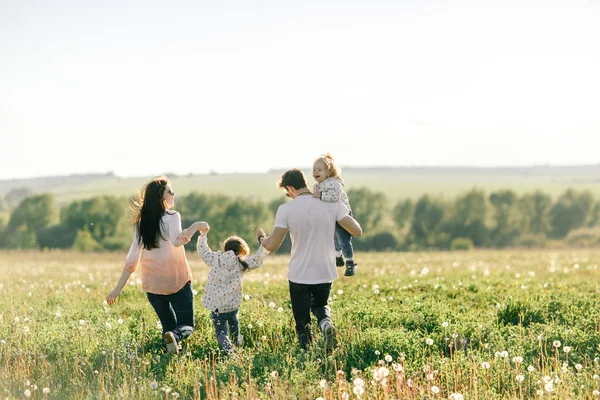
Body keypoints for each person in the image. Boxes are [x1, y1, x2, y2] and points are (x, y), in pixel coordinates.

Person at [256, 168, 362, 351]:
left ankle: (308, 355)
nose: (288, 195)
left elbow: (272, 246)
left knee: (302, 320)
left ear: (290, 188)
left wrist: (261, 238)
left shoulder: (286, 210)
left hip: (299, 274)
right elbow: (357, 231)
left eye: (287, 191)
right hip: (325, 271)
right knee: (320, 305)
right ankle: (326, 324)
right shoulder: (332, 204)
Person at [106, 176, 207, 355]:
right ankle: (175, 338)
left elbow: (132, 260)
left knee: (168, 327)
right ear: (161, 197)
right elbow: (177, 241)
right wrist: (196, 226)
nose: (173, 194)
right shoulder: (172, 216)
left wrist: (116, 290)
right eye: (170, 191)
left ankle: (171, 353)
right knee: (186, 326)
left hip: (153, 286)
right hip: (177, 282)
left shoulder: (141, 222)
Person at [181, 224, 269, 354]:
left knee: (221, 332)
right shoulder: (241, 263)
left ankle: (229, 351)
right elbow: (258, 260)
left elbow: (204, 252)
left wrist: (203, 236)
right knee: (234, 326)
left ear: (226, 248)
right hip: (233, 305)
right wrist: (263, 243)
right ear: (241, 250)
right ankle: (237, 345)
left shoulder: (216, 259)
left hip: (217, 306)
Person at [312, 153, 358, 276]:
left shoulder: (333, 182)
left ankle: (350, 263)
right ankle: (338, 257)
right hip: (331, 216)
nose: (316, 172)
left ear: (329, 172)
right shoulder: (318, 185)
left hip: (343, 216)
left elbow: (334, 196)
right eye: (314, 170)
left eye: (319, 170)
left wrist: (320, 195)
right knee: (333, 239)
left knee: (343, 240)